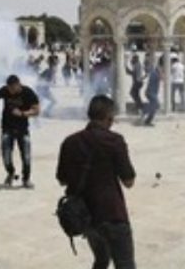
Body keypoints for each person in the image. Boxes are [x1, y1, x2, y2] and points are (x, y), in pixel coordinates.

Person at [56, 95, 137, 269]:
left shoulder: (69, 142)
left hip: (86, 217)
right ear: (109, 117)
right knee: (125, 265)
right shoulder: (115, 141)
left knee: (101, 261)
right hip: (112, 214)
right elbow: (129, 181)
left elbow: (62, 180)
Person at [0, 75, 40, 188]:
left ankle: (26, 179)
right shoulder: (5, 90)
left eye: (13, 88)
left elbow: (37, 111)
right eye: (9, 89)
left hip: (22, 129)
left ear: (19, 84)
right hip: (7, 127)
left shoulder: (28, 92)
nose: (11, 91)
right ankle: (11, 173)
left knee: (26, 155)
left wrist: (23, 114)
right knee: (6, 154)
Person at [142, 59, 161, 127]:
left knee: (155, 106)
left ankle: (147, 119)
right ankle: (145, 111)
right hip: (151, 92)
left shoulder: (154, 73)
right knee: (156, 106)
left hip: (151, 92)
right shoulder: (154, 73)